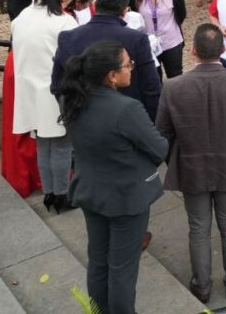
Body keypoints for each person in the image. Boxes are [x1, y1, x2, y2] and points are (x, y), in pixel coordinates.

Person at [60, 41, 168, 314]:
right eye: (128, 64)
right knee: (122, 268)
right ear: (111, 75)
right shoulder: (126, 108)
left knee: (98, 261)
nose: (131, 68)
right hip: (126, 198)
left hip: (90, 191)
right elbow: (159, 149)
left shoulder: (72, 99)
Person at [156, 23, 226, 304]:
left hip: (192, 166)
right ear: (223, 50)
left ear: (192, 51)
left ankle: (202, 285)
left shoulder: (172, 87)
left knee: (198, 229)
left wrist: (175, 160)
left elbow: (163, 133)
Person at [12, 0, 78, 212]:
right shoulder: (64, 21)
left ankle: (49, 192)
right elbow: (75, 61)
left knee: (43, 144)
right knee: (61, 145)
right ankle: (61, 195)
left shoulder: (21, 17)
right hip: (55, 92)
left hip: (29, 91)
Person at [52, 0, 163, 121]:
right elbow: (151, 88)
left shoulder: (68, 37)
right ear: (125, 10)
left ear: (95, 5)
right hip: (129, 120)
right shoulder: (137, 39)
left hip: (85, 121)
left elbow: (57, 86)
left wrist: (74, 117)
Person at [135, 0, 187, 79]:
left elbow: (181, 15)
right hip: (149, 44)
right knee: (154, 78)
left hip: (171, 42)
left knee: (175, 76)